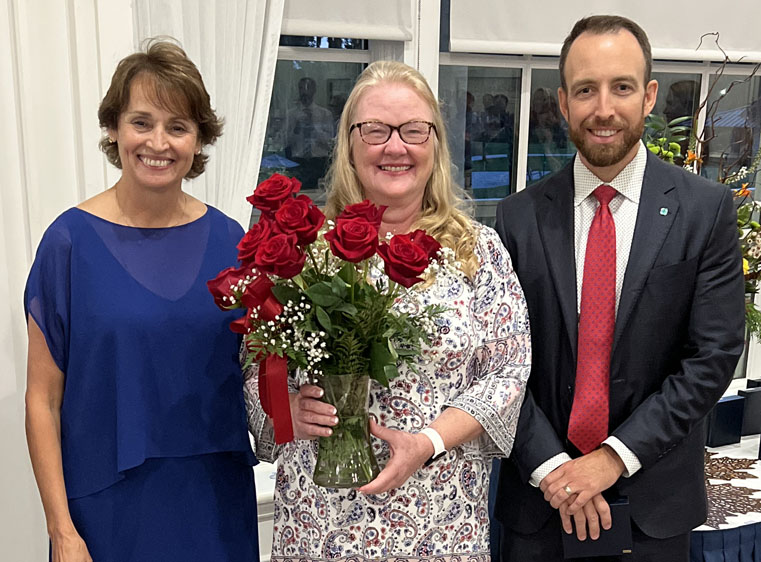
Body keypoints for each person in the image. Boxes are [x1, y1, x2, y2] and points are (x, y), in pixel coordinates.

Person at [245, 60, 531, 561]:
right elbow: (256, 360)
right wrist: (283, 410)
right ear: (350, 145)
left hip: (440, 518)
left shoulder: (477, 251)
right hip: (322, 520)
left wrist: (428, 441)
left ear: (435, 144)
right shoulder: (304, 250)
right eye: (375, 130)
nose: (395, 147)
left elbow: (509, 370)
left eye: (413, 130)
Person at [494, 15, 745, 562]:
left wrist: (610, 458)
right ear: (562, 102)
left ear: (649, 96)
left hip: (653, 507)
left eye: (622, 87)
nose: (603, 109)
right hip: (540, 504)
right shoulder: (517, 218)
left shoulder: (705, 211)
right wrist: (554, 468)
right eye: (585, 90)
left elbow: (713, 355)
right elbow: (500, 361)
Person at [24, 40, 259, 561]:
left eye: (178, 126)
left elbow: (255, 373)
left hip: (213, 506)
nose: (159, 142)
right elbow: (44, 401)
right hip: (105, 509)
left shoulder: (231, 241)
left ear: (199, 140)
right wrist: (62, 531)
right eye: (141, 122)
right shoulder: (69, 243)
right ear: (114, 129)